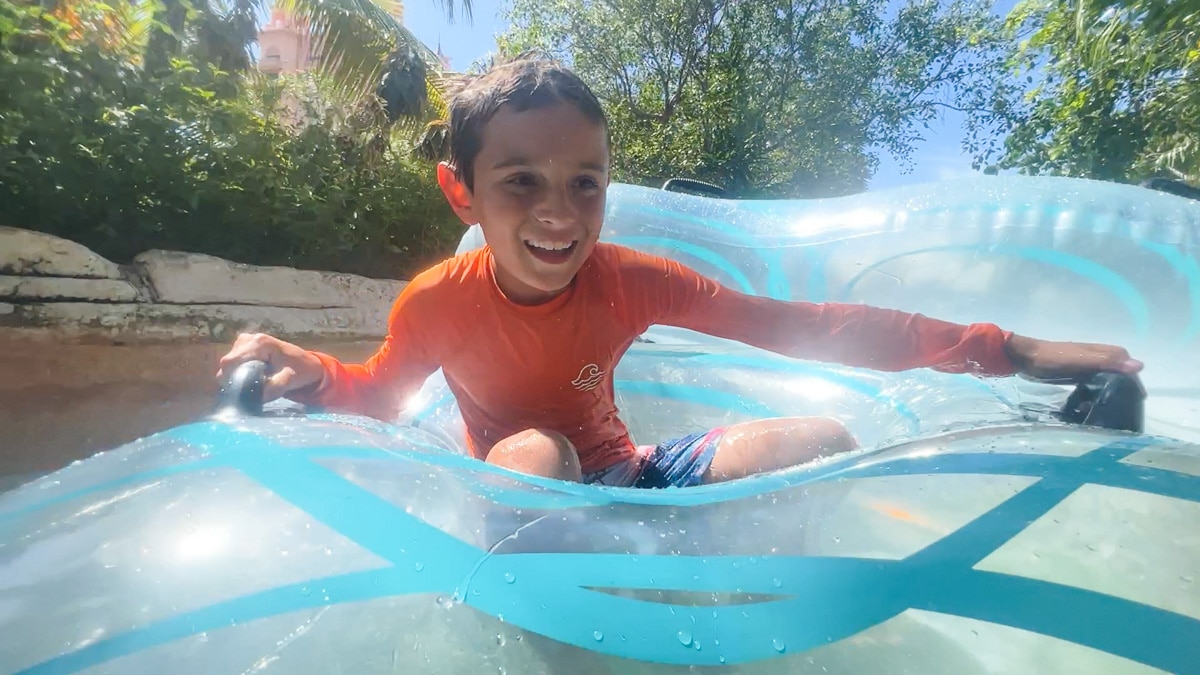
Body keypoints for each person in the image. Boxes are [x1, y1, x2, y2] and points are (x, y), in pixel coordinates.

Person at [216, 55, 1143, 489]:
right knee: (540, 452)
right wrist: (311, 371)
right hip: (525, 482)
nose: (559, 214)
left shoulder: (633, 281)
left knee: (818, 435)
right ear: (461, 193)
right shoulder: (436, 304)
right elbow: (379, 394)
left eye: (586, 183)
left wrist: (1009, 347)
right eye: (522, 183)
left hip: (630, 474)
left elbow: (809, 326)